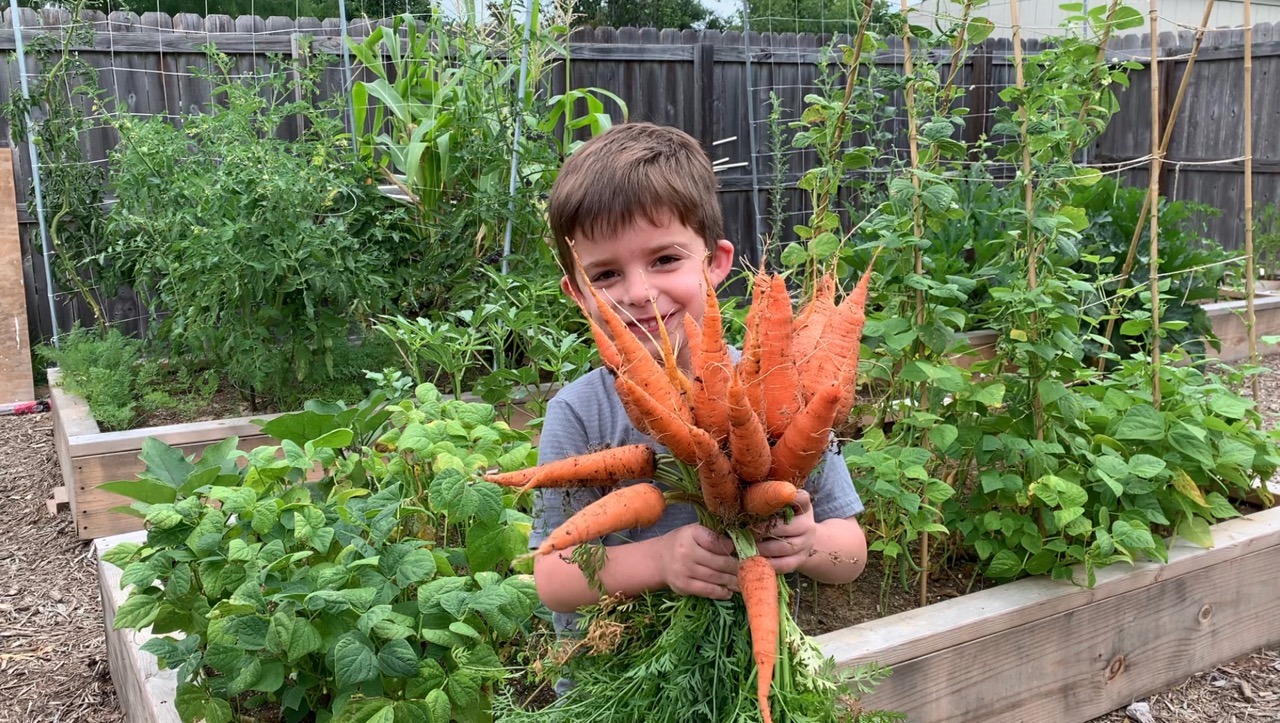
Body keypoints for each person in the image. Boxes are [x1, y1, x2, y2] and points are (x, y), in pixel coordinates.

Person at [529, 122, 868, 637]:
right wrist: (662, 560)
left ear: (715, 263)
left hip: (749, 673)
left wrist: (808, 545)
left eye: (665, 260)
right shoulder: (580, 411)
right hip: (615, 683)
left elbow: (852, 552)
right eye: (605, 276)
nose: (640, 292)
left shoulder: (785, 388)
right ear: (578, 294)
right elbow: (553, 576)